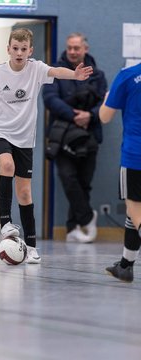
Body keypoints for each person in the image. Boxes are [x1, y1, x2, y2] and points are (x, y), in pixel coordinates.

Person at [0, 28, 93, 263]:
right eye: (15, 48)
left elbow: (56, 71)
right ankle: (5, 223)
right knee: (7, 165)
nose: (19, 53)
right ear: (8, 49)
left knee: (24, 192)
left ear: (30, 51)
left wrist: (74, 75)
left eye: (23, 49)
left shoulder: (36, 69)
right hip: (0, 132)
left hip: (25, 139)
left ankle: (31, 247)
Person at [43, 32, 107, 243]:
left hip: (89, 134)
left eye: (76, 48)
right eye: (69, 47)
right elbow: (50, 99)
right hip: (62, 136)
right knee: (68, 178)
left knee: (84, 183)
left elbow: (106, 103)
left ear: (85, 49)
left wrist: (90, 115)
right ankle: (88, 217)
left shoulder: (97, 74)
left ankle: (73, 229)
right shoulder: (56, 71)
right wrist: (74, 116)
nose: (72, 51)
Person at [99, 62, 141, 282]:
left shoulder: (127, 75)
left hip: (135, 154)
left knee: (134, 208)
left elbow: (105, 117)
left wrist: (107, 98)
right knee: (133, 215)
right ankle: (126, 265)